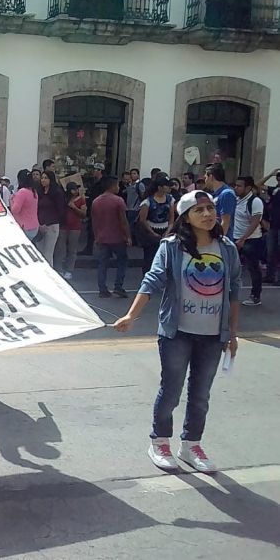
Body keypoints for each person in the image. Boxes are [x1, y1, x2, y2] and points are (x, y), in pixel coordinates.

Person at [114, 191, 241, 474]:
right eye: (200, 210)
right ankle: (160, 441)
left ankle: (191, 444)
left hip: (212, 335)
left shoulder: (227, 248)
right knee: (171, 390)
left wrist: (232, 334)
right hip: (177, 333)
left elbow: (234, 290)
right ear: (186, 217)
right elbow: (152, 280)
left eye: (211, 209)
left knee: (200, 395)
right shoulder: (171, 247)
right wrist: (131, 315)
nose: (208, 215)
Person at [92, 176, 131, 298]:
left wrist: (96, 236)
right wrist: (128, 236)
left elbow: (94, 221)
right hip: (117, 237)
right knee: (122, 261)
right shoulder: (118, 201)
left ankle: (102, 288)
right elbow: (123, 220)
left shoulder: (96, 201)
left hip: (102, 237)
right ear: (113, 186)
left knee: (102, 263)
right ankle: (118, 286)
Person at [233, 176, 264, 306]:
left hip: (251, 240)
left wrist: (243, 239)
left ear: (248, 188)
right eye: (235, 185)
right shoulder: (236, 200)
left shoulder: (255, 201)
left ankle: (255, 296)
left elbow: (255, 222)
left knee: (253, 268)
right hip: (235, 238)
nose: (236, 188)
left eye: (239, 186)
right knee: (231, 266)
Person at [137, 174, 176, 273]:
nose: (169, 187)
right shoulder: (148, 201)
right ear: (160, 187)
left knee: (166, 258)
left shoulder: (170, 199)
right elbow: (143, 220)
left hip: (166, 229)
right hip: (151, 230)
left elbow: (172, 218)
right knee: (149, 258)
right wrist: (153, 233)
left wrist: (168, 231)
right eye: (167, 185)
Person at [55, 181, 86, 279]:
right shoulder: (64, 199)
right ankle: (59, 268)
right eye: (73, 189)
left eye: (76, 189)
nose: (75, 191)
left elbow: (83, 213)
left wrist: (74, 207)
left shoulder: (81, 200)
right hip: (63, 226)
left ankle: (69, 270)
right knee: (60, 249)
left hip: (75, 227)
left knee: (72, 249)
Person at [35, 170, 64, 267]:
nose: (43, 180)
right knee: (39, 253)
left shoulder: (57, 193)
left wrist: (47, 224)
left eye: (46, 178)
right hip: (40, 225)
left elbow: (60, 211)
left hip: (52, 225)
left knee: (48, 253)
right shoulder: (39, 192)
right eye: (42, 178)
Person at [258, 168, 280, 283]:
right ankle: (270, 276)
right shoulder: (275, 190)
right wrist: (271, 174)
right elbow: (258, 185)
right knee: (271, 252)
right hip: (274, 224)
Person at [204, 163, 236, 238]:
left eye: (205, 178)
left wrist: (219, 240)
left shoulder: (227, 194)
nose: (205, 181)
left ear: (211, 177)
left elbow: (225, 222)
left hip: (221, 240)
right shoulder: (214, 194)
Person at [80, 163, 106, 254]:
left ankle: (108, 251)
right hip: (93, 209)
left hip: (100, 210)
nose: (93, 171)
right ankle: (89, 248)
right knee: (91, 230)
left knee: (100, 231)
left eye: (95, 169)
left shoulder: (103, 183)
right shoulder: (94, 182)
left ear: (100, 171)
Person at [10, 170, 39, 241]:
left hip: (24, 226)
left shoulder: (22, 192)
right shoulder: (33, 191)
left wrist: (11, 200)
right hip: (34, 226)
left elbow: (15, 210)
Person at [123, 168, 146, 235]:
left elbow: (143, 196)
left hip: (135, 209)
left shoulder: (140, 185)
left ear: (138, 175)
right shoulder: (129, 185)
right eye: (131, 174)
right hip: (128, 208)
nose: (132, 175)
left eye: (134, 173)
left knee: (133, 227)